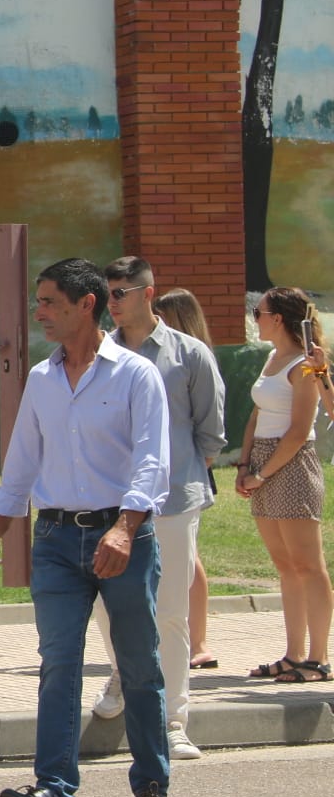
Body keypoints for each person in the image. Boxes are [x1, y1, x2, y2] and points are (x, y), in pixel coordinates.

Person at [0, 257, 172, 797]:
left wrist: (124, 530)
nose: (40, 313)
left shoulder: (135, 375)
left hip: (123, 536)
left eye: (51, 302)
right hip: (56, 539)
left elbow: (152, 461)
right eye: (40, 302)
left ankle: (151, 784)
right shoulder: (41, 379)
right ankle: (55, 791)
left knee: (138, 664)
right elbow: (22, 463)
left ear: (88, 304)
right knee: (58, 664)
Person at [89, 258, 225, 761]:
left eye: (122, 292)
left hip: (172, 499)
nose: (113, 302)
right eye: (109, 294)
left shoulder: (189, 355)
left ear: (149, 293)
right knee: (107, 607)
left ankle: (172, 721)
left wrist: (175, 473)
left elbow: (209, 434)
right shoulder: (98, 354)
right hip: (108, 500)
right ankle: (125, 675)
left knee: (169, 612)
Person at [235, 287, 332, 683]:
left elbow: (297, 431)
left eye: (258, 313)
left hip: (291, 465)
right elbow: (257, 416)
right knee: (286, 566)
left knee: (309, 565)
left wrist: (261, 473)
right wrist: (245, 464)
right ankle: (293, 655)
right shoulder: (272, 359)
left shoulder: (306, 365)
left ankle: (319, 658)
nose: (254, 318)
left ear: (277, 318)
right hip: (263, 462)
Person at [152, 287, 222, 672]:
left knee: (189, 560)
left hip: (186, 473)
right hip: (176, 472)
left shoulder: (191, 355)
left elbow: (209, 428)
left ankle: (198, 642)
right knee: (187, 559)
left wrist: (196, 464)